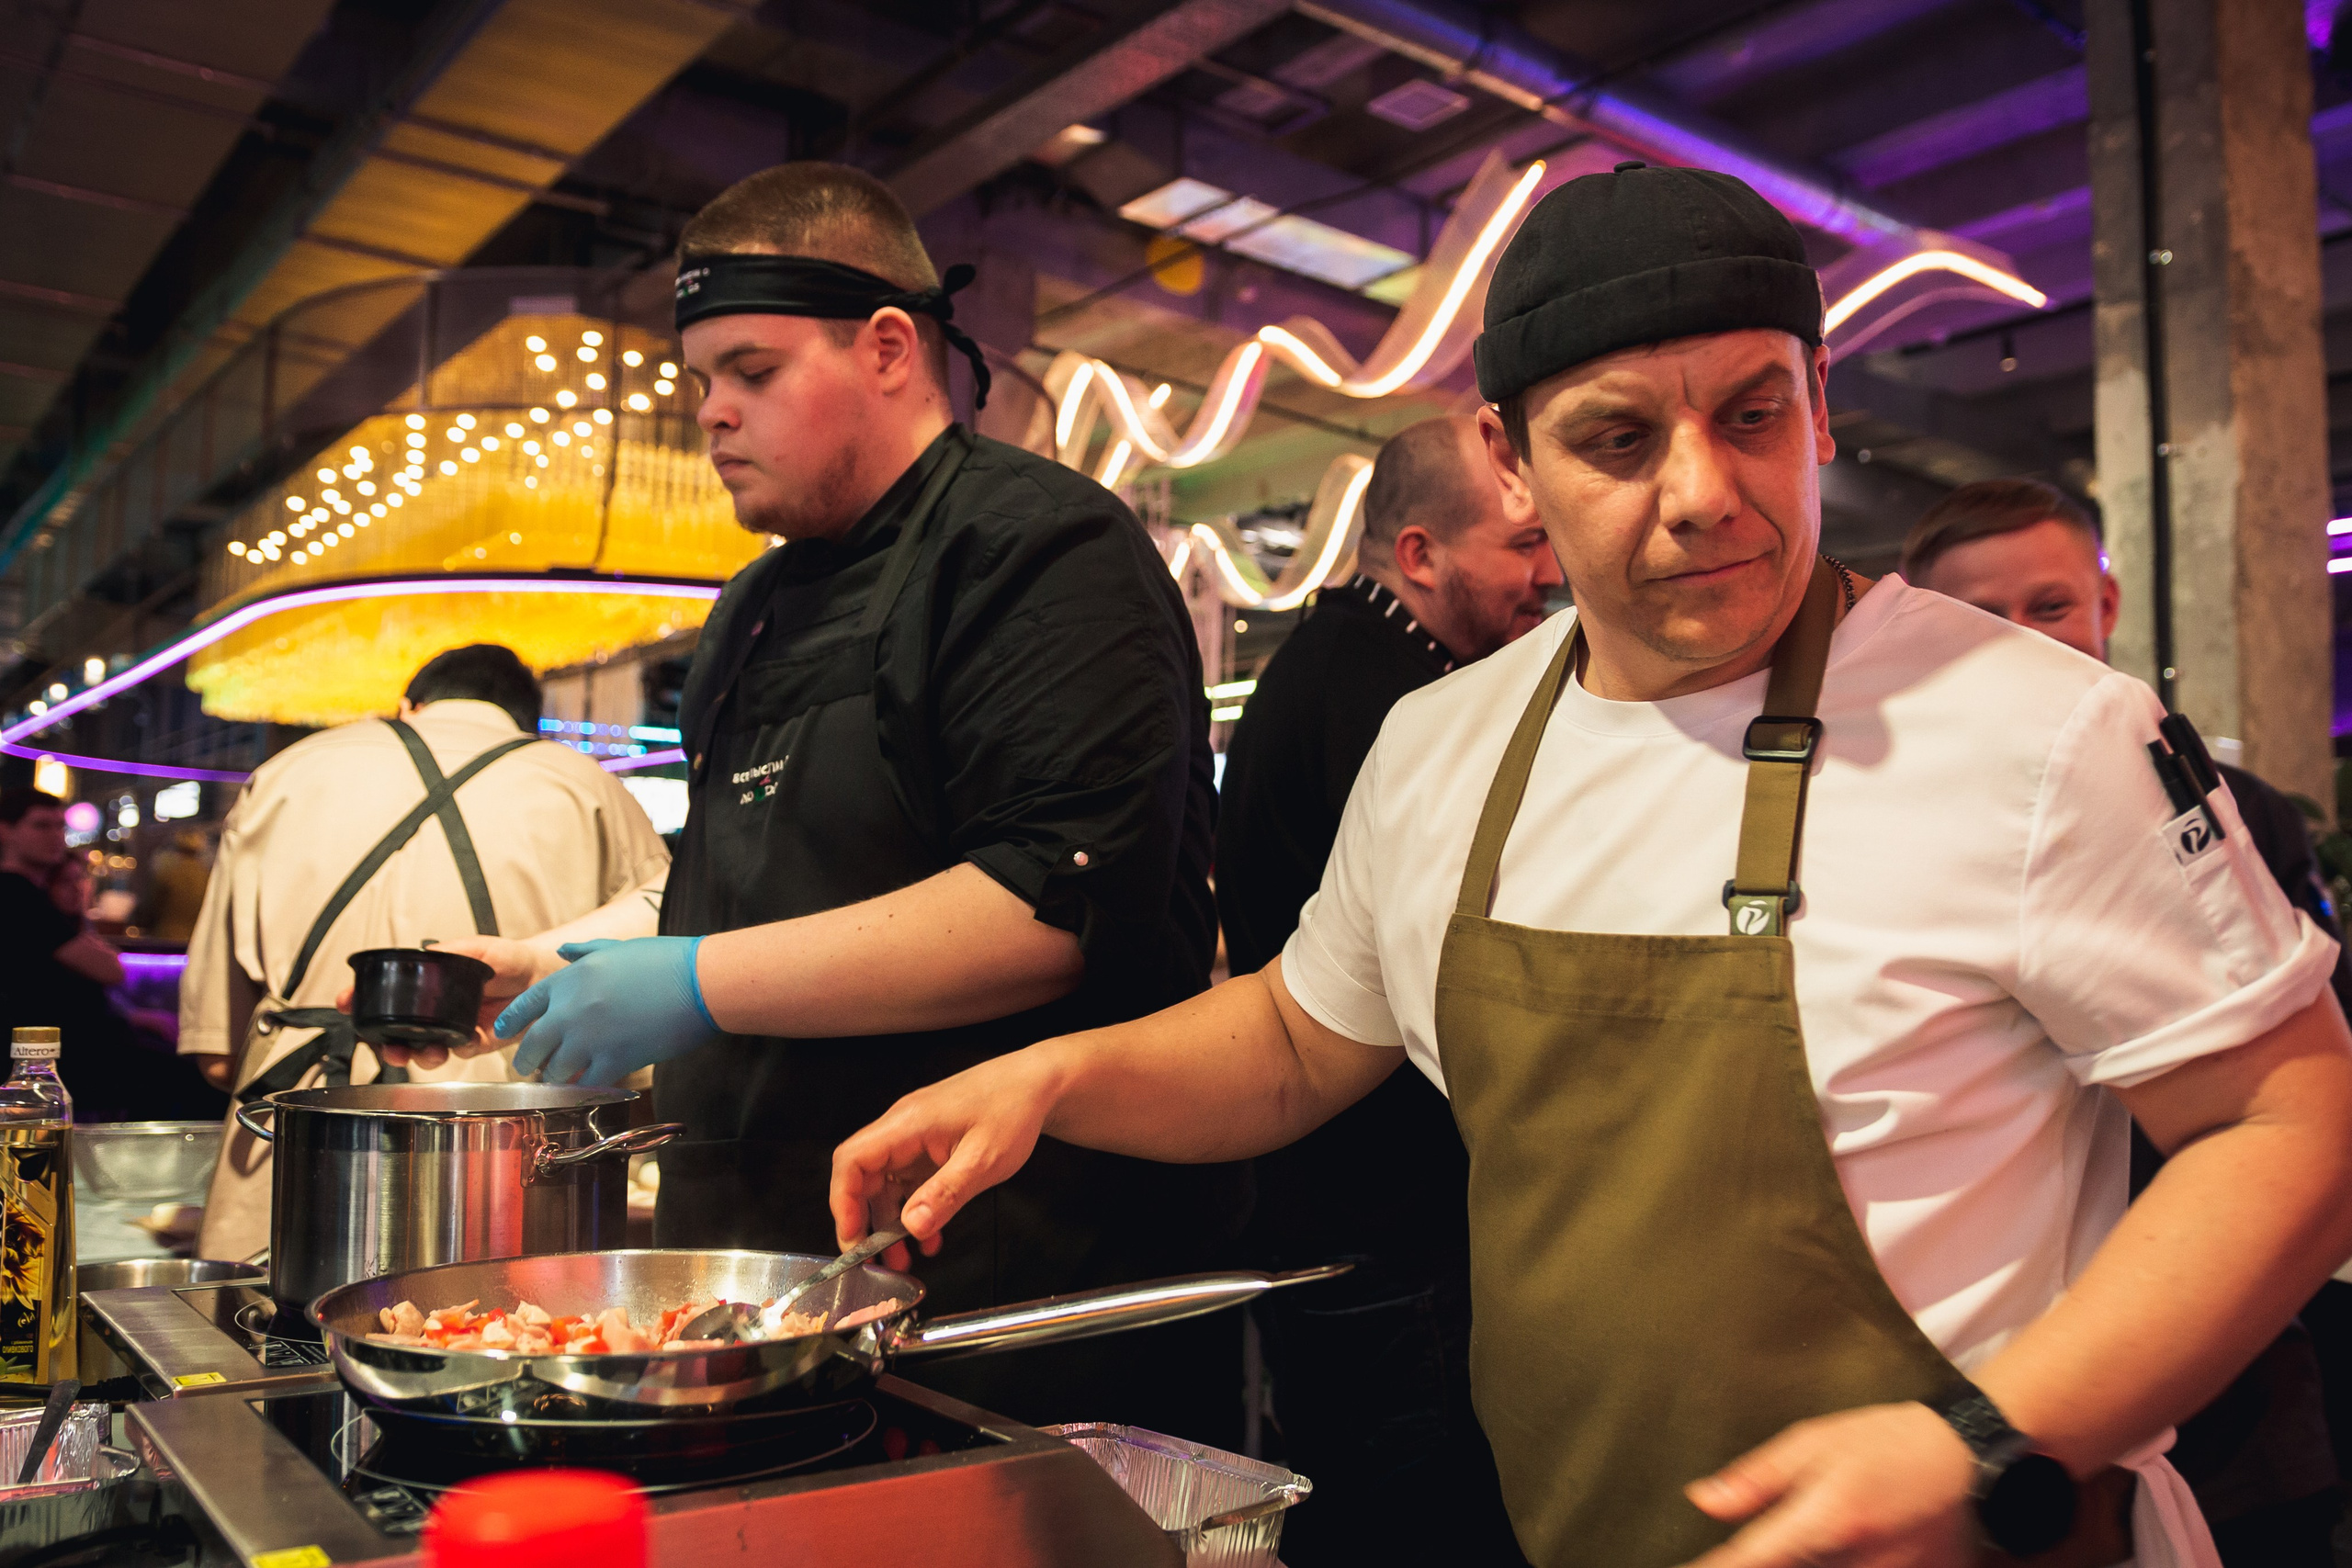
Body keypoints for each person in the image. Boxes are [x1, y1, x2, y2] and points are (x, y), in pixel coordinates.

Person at [829, 163, 2352, 1568]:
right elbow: (1299, 1035)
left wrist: (1990, 1443)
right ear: (1510, 457)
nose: (1702, 491)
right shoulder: (1446, 742)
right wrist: (1055, 1079)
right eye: (1619, 440)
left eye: (1752, 414)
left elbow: (2294, 1124)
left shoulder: (2044, 734)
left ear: (1821, 404)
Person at [414, 163, 1243, 1436]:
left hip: (998, 1278)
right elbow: (742, 890)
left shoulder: (1040, 549)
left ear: (891, 348)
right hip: (756, 1282)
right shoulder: (750, 609)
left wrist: (696, 982)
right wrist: (564, 960)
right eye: (701, 380)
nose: (711, 413)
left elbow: (1049, 907)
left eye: (751, 370)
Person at [1904, 479, 2346, 1565]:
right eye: (1980, 616)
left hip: (2233, 1397)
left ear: (2104, 600)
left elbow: (2302, 1113)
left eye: (2048, 605)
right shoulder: (1886, 838)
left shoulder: (2235, 811)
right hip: (1999, 1405)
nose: (2021, 641)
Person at [1217, 414, 1553, 1565]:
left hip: (1344, 1222)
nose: (1547, 572)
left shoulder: (1346, 663)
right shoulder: (1389, 703)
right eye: (1522, 545)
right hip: (1384, 1238)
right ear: (1419, 555)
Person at [183, 644, 670, 1260]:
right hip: (503, 1163)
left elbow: (216, 1052)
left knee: (266, 1312)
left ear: (407, 706)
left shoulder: (284, 772)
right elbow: (646, 1028)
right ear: (526, 721)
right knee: (486, 1315)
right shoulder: (591, 785)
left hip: (290, 1149)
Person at [0, 789, 206, 1120]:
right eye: (41, 825)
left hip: (71, 1049)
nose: (55, 836)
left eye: (59, 826)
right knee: (198, 1083)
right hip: (63, 1058)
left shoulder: (33, 893)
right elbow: (110, 970)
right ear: (5, 830)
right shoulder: (15, 892)